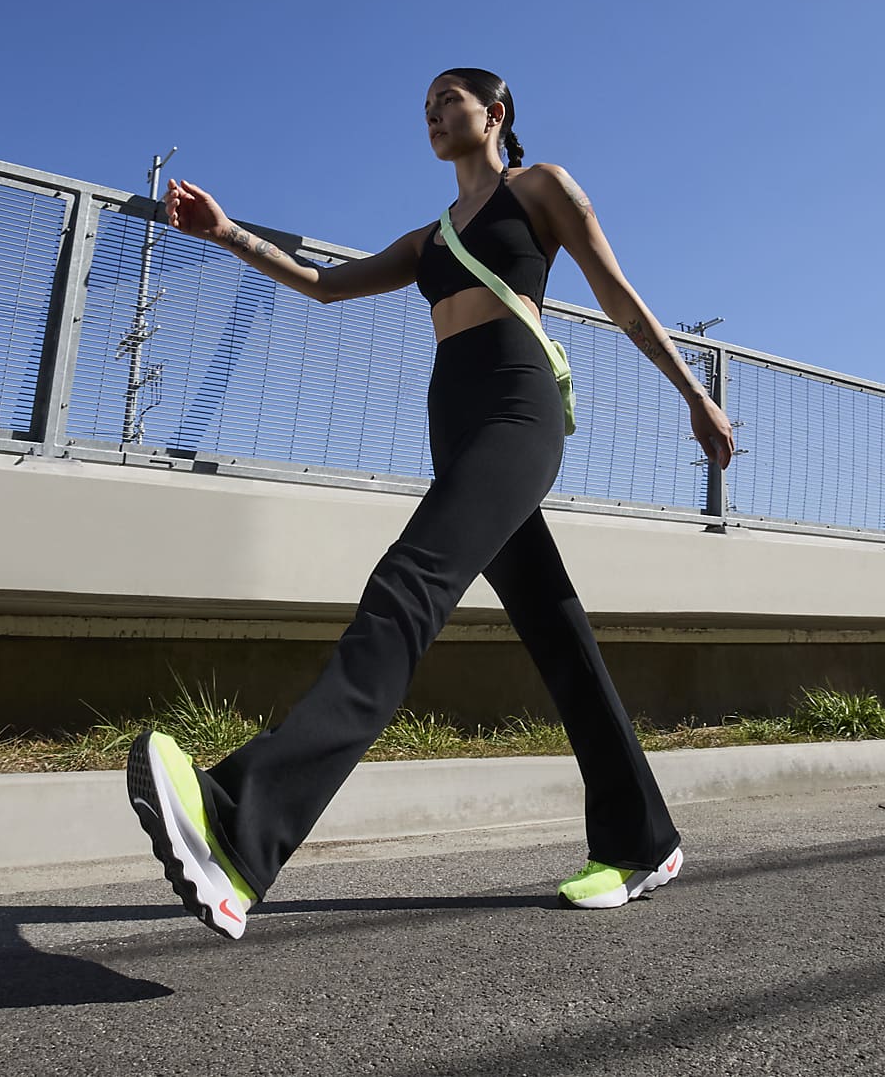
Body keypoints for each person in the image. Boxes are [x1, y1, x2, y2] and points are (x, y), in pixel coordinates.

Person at [126, 67, 735, 940]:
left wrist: (693, 394)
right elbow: (324, 285)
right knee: (560, 640)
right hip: (455, 428)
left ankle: (239, 826)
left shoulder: (542, 188)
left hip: (515, 417)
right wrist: (225, 232)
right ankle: (644, 841)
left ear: (495, 113)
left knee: (405, 591)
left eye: (449, 100)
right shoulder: (430, 237)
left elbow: (617, 295)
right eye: (425, 109)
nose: (434, 115)